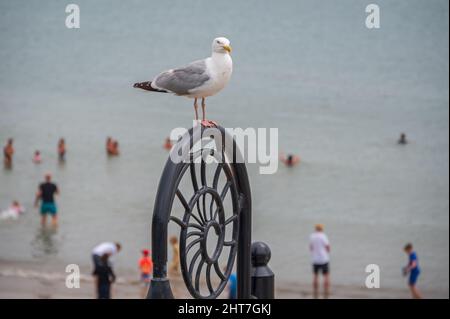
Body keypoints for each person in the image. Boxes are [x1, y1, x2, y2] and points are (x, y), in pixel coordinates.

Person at [309, 224, 330, 298]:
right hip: (324, 259)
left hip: (315, 259)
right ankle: (326, 292)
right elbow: (328, 247)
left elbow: (311, 248)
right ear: (321, 229)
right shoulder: (323, 236)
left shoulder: (312, 236)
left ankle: (315, 292)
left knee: (315, 276)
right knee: (326, 276)